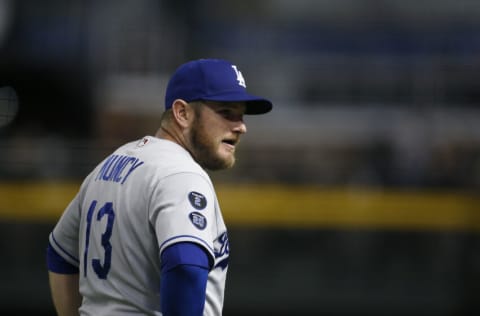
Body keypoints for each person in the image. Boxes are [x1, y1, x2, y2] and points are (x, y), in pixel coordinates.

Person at [46, 58, 272, 316]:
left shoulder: (110, 165)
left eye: (241, 115)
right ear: (182, 113)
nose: (241, 126)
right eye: (226, 113)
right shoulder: (182, 174)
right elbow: (185, 265)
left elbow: (60, 253)